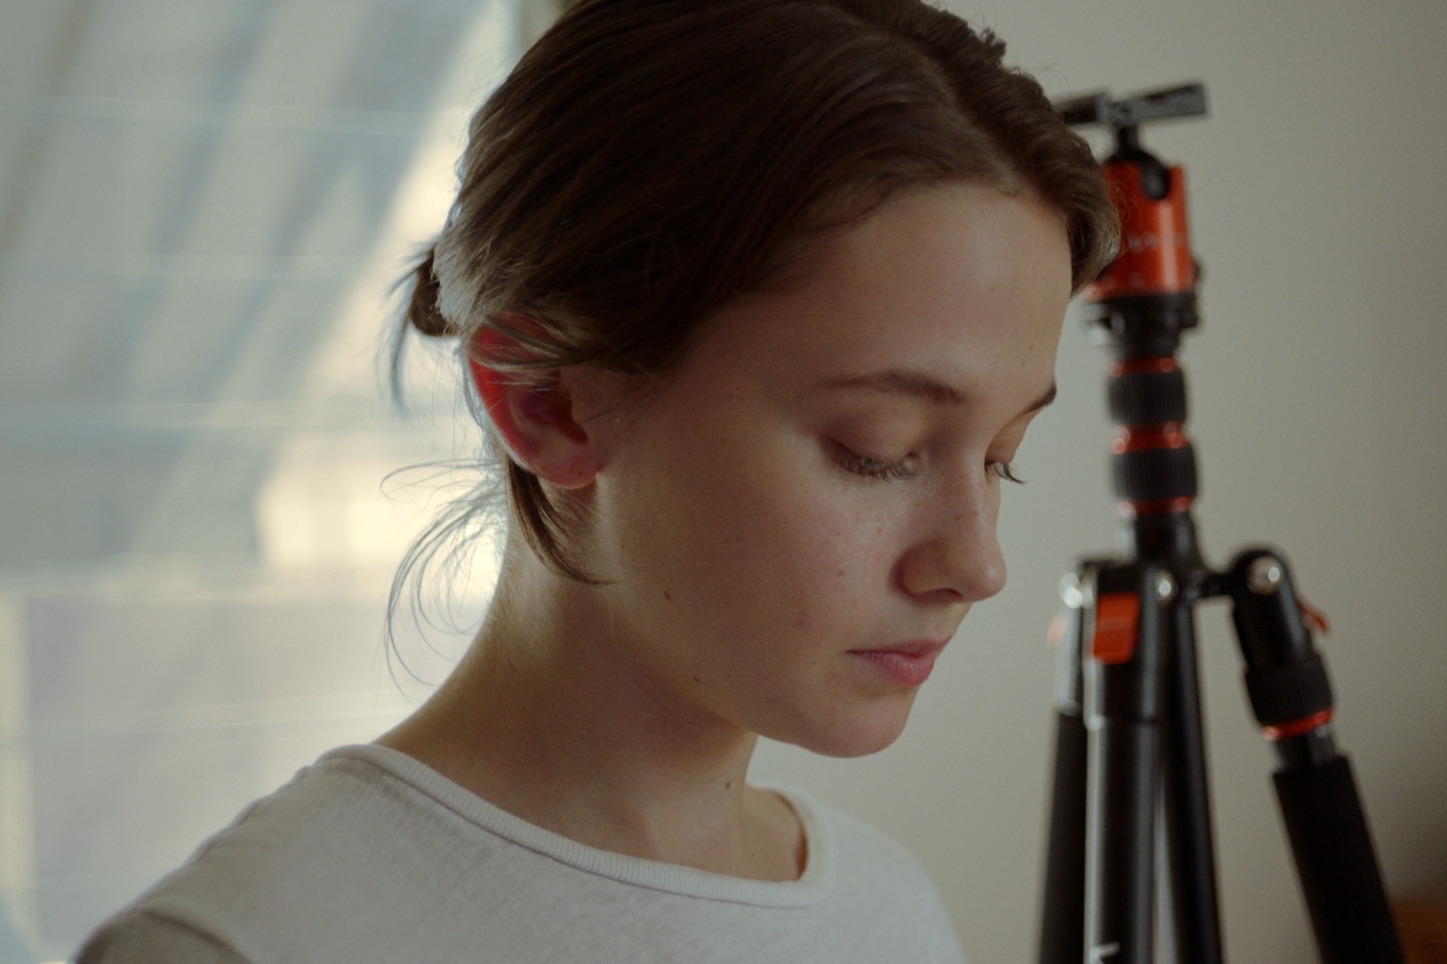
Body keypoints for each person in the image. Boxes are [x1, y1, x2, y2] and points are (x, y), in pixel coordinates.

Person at [76, 0, 1115, 959]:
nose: (978, 563)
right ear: (549, 402)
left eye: (1001, 459)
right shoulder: (243, 944)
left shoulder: (892, 914)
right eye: (876, 447)